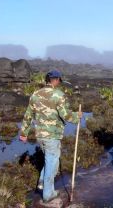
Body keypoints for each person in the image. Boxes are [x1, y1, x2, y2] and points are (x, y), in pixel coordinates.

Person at [19, 70, 82, 203]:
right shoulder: (59, 95)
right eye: (59, 80)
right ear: (56, 80)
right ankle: (48, 194)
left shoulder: (35, 94)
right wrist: (77, 117)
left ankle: (41, 182)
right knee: (52, 161)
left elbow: (28, 115)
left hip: (40, 135)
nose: (59, 83)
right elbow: (66, 115)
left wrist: (24, 133)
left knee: (49, 159)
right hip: (52, 136)